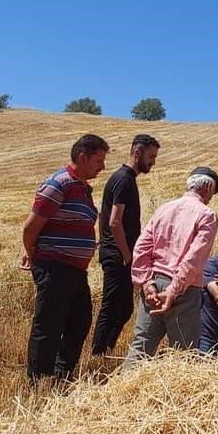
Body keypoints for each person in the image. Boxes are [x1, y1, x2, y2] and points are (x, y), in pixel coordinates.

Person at [21, 133, 109, 383]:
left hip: (74, 269)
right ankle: (39, 380)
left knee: (80, 320)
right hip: (55, 266)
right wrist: (31, 253)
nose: (102, 167)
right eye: (98, 161)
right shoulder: (58, 184)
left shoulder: (82, 187)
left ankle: (62, 374)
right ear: (82, 158)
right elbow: (30, 227)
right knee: (49, 324)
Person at [123, 167, 218, 368]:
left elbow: (141, 248)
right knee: (184, 356)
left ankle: (120, 395)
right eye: (213, 193)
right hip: (182, 291)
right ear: (208, 187)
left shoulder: (164, 208)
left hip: (153, 288)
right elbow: (194, 258)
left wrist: (146, 283)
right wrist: (173, 291)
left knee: (140, 349)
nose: (211, 198)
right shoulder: (206, 215)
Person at [90, 134, 161, 356]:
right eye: (150, 156)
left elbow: (105, 214)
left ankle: (104, 350)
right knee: (112, 306)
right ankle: (98, 353)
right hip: (118, 255)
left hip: (118, 252)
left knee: (125, 308)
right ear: (137, 153)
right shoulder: (124, 180)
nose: (153, 162)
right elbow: (114, 221)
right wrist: (127, 255)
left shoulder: (125, 179)